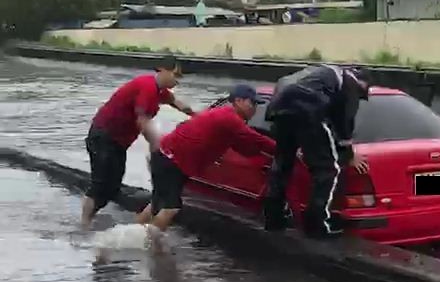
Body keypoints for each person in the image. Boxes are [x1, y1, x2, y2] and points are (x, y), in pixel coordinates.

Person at [137, 84, 275, 232]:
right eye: (252, 103)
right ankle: (149, 244)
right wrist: (285, 149)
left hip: (166, 156)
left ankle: (135, 232)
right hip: (171, 161)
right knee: (170, 208)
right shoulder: (230, 118)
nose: (254, 108)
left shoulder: (224, 115)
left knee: (156, 203)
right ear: (238, 101)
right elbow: (256, 140)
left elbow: (243, 147)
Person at [82, 56, 195, 226]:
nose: (177, 81)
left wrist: (200, 117)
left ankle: (91, 219)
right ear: (162, 69)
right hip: (103, 136)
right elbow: (142, 122)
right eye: (175, 75)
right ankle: (84, 224)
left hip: (118, 142)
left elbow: (180, 105)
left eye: (180, 78)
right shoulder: (147, 87)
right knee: (100, 184)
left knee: (113, 186)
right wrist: (157, 149)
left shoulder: (160, 91)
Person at [263, 63, 370, 238]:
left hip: (280, 109)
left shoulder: (315, 73)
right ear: (363, 83)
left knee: (282, 165)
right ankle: (317, 225)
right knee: (328, 170)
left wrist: (304, 143)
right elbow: (344, 122)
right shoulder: (350, 83)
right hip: (308, 110)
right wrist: (348, 154)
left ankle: (273, 218)